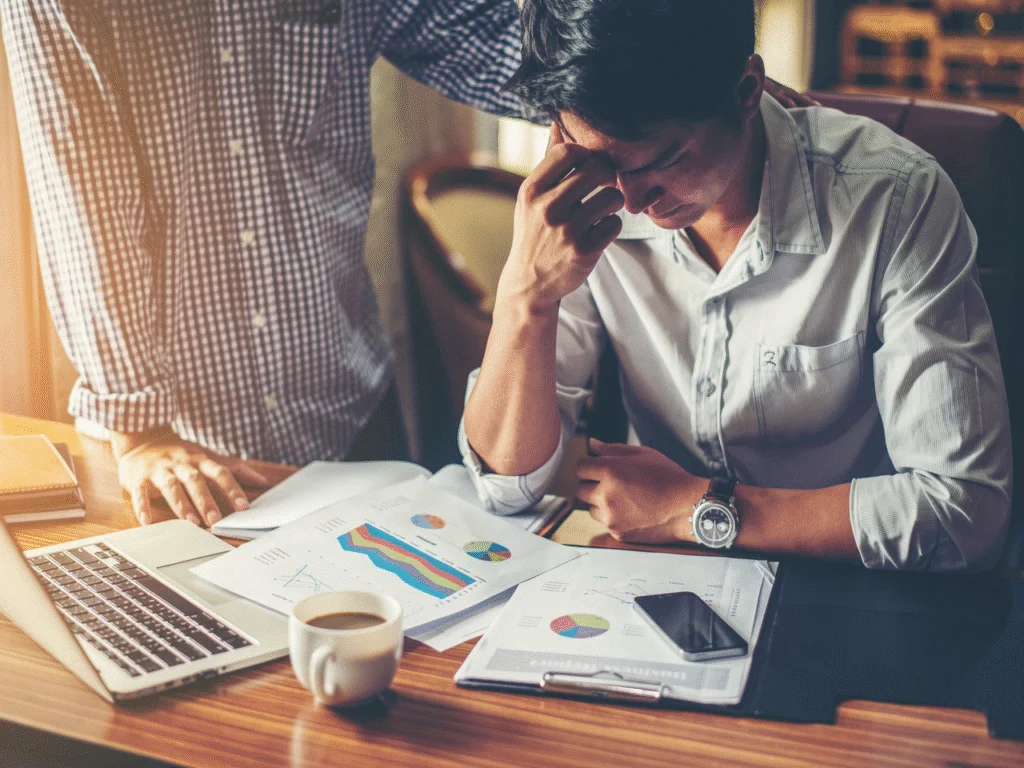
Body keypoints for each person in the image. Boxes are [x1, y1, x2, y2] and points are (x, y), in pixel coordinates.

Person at [2, 0, 810, 529]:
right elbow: (82, 185)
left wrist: (698, 95)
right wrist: (138, 424)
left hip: (351, 390)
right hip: (183, 442)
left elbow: (493, 43)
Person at [461, 0, 1012, 571]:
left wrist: (695, 508)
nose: (629, 202)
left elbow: (963, 513)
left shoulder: (896, 198)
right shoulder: (581, 207)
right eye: (600, 160)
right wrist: (525, 294)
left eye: (665, 159)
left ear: (747, 91)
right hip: (652, 585)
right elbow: (508, 487)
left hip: (849, 589)